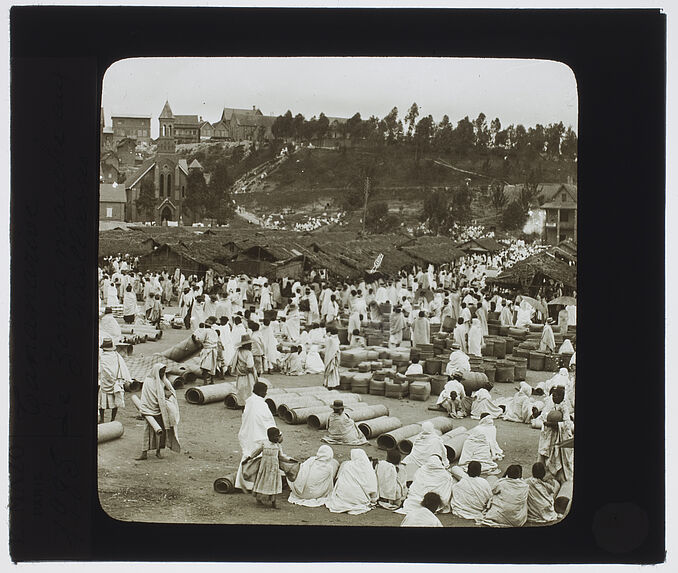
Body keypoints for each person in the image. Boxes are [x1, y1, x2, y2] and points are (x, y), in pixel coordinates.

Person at [235, 382, 276, 492]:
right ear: (260, 391)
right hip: (259, 435)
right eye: (264, 391)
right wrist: (275, 432)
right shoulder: (261, 404)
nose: (266, 393)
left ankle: (243, 483)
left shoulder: (249, 401)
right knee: (259, 459)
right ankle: (257, 485)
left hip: (248, 434)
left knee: (248, 457)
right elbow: (267, 421)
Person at [135, 363, 181, 460]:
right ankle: (144, 453)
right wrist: (144, 410)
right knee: (147, 431)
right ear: (156, 371)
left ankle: (158, 451)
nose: (162, 374)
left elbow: (168, 391)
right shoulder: (148, 381)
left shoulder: (162, 381)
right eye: (160, 372)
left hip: (160, 409)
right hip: (149, 410)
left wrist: (167, 397)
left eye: (163, 372)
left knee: (161, 431)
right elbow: (145, 396)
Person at [245, 427, 294, 509]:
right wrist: (248, 458)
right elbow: (256, 452)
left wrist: (290, 459)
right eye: (275, 436)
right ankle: (258, 499)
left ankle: (273, 502)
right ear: (269, 436)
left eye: (278, 436)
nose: (277, 438)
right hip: (264, 468)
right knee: (262, 482)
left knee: (273, 484)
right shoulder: (264, 444)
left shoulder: (278, 446)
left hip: (274, 469)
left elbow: (281, 456)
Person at [537, 387, 574, 483]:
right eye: (553, 396)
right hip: (549, 434)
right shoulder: (550, 404)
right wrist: (545, 422)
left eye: (556, 396)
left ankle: (558, 476)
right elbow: (543, 416)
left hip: (559, 436)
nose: (554, 398)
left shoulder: (564, 407)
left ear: (561, 397)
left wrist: (556, 424)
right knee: (547, 454)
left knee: (557, 456)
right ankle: (546, 474)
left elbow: (567, 424)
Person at [325, 449, 378, 515]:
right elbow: (371, 486)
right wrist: (373, 499)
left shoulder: (347, 465)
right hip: (359, 499)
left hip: (343, 497)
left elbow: (340, 481)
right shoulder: (368, 468)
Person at [97, 337, 130, 423]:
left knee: (102, 402)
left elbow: (103, 370)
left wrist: (109, 378)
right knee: (115, 401)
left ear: (103, 348)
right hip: (116, 382)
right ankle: (112, 419)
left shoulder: (102, 357)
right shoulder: (116, 355)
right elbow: (122, 367)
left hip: (105, 382)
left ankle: (102, 419)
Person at [230, 334, 258, 404]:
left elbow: (233, 362)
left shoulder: (238, 351)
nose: (251, 346)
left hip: (240, 375)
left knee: (241, 392)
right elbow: (250, 366)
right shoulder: (248, 353)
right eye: (250, 344)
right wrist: (254, 374)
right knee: (249, 391)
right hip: (248, 375)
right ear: (246, 345)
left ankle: (242, 405)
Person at [193, 317, 219, 386]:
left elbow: (201, 340)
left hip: (208, 350)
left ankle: (205, 381)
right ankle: (212, 380)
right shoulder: (214, 332)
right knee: (213, 365)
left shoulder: (205, 331)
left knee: (205, 366)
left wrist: (195, 339)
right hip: (214, 349)